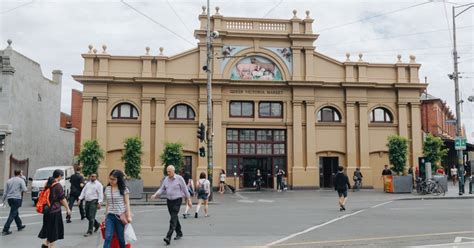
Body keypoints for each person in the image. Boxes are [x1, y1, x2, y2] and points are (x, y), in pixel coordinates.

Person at [151, 165, 190, 246]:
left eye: (169, 171)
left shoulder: (179, 178)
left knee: (173, 218)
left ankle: (168, 237)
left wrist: (189, 200)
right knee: (174, 217)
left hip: (177, 200)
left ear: (173, 171)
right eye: (167, 171)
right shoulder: (166, 179)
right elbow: (162, 189)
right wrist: (155, 194)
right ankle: (179, 233)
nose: (168, 173)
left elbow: (185, 189)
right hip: (169, 201)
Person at [38, 169, 72, 248]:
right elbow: (62, 199)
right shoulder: (58, 185)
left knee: (49, 228)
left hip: (46, 210)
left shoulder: (47, 183)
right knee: (54, 231)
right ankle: (51, 246)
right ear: (59, 176)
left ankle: (46, 244)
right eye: (61, 176)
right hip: (54, 210)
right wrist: (68, 209)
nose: (61, 178)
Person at [103, 169, 132, 248]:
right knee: (108, 237)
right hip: (110, 216)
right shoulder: (107, 189)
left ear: (118, 180)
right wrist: (105, 217)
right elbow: (108, 203)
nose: (111, 181)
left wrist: (129, 216)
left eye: (113, 179)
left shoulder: (124, 189)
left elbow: (127, 203)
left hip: (120, 217)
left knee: (121, 238)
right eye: (110, 178)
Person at [1, 169, 27, 235]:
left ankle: (19, 225)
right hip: (17, 199)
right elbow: (25, 189)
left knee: (15, 212)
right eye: (21, 173)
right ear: (20, 173)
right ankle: (5, 229)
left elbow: (5, 192)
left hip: (10, 199)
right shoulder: (21, 180)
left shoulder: (8, 181)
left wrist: (2, 201)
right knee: (13, 213)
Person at [78, 173, 103, 237]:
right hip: (87, 201)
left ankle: (90, 231)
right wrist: (80, 199)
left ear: (96, 177)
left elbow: (100, 194)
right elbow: (83, 191)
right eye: (91, 176)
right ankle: (97, 225)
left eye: (94, 176)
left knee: (91, 216)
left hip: (94, 201)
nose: (92, 178)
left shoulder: (99, 185)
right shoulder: (88, 184)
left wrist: (99, 202)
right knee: (87, 216)